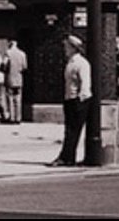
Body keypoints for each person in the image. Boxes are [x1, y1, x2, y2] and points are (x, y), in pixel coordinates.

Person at [49, 34, 91, 167]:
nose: (64, 49)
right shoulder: (71, 62)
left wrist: (80, 99)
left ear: (73, 48)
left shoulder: (81, 63)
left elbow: (85, 83)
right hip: (69, 99)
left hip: (78, 101)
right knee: (70, 130)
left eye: (66, 46)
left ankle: (65, 157)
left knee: (73, 130)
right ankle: (69, 158)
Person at [4, 39, 28, 124]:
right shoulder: (22, 54)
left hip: (10, 78)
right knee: (18, 98)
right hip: (19, 79)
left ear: (10, 44)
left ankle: (12, 117)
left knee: (10, 98)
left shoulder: (8, 53)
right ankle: (18, 118)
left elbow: (4, 64)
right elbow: (24, 67)